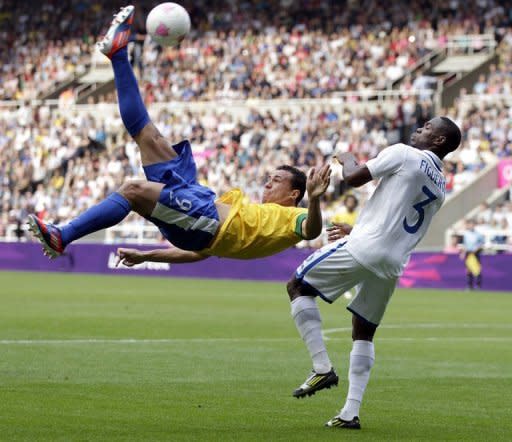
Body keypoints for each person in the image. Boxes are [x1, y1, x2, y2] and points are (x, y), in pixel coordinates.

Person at [27, 6, 332, 263]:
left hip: (205, 218)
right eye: (271, 177)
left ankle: (62, 236)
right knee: (150, 137)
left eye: (277, 181)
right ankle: (119, 53)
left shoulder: (291, 220)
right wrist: (148, 256)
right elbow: (199, 253)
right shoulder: (258, 216)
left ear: (294, 194)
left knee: (133, 190)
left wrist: (315, 200)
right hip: (200, 204)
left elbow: (313, 230)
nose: (268, 182)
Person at [286, 117, 461, 429]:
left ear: (439, 141)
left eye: (428, 127)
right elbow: (401, 219)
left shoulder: (405, 153)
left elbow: (353, 177)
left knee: (298, 286)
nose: (419, 128)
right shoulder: (440, 185)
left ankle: (322, 366)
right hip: (392, 262)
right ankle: (350, 413)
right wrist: (359, 228)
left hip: (366, 247)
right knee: (363, 330)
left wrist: (346, 157)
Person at [461, 219, 485, 289]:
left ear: (474, 225)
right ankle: (469, 285)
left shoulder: (478, 234)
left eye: (472, 224)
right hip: (468, 253)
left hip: (475, 253)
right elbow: (465, 244)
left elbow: (481, 243)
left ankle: (478, 285)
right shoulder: (466, 234)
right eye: (470, 224)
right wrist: (463, 253)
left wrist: (477, 249)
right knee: (468, 269)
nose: (471, 226)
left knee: (477, 269)